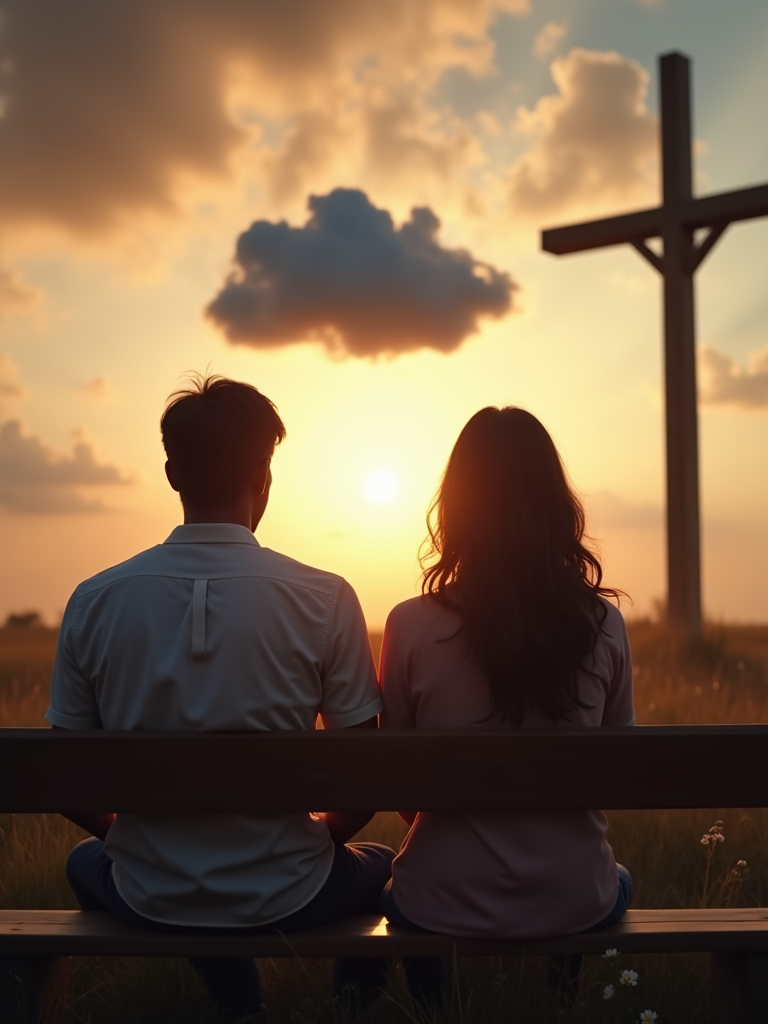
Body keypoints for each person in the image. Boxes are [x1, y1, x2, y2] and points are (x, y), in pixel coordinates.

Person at [46, 374, 394, 1022]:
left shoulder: (95, 598)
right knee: (383, 867)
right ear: (264, 475)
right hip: (292, 890)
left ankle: (240, 1007)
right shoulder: (325, 596)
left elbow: (66, 776)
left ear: (173, 473)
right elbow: (363, 777)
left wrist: (131, 836)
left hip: (148, 892)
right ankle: (351, 1010)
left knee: (86, 862)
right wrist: (323, 837)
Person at [378, 407, 635, 1004]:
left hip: (439, 897)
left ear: (455, 507)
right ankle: (560, 1001)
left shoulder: (409, 626)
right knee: (615, 880)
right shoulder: (604, 625)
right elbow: (613, 771)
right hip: (575, 896)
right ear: (555, 505)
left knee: (399, 884)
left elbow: (402, 792)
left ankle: (430, 1008)